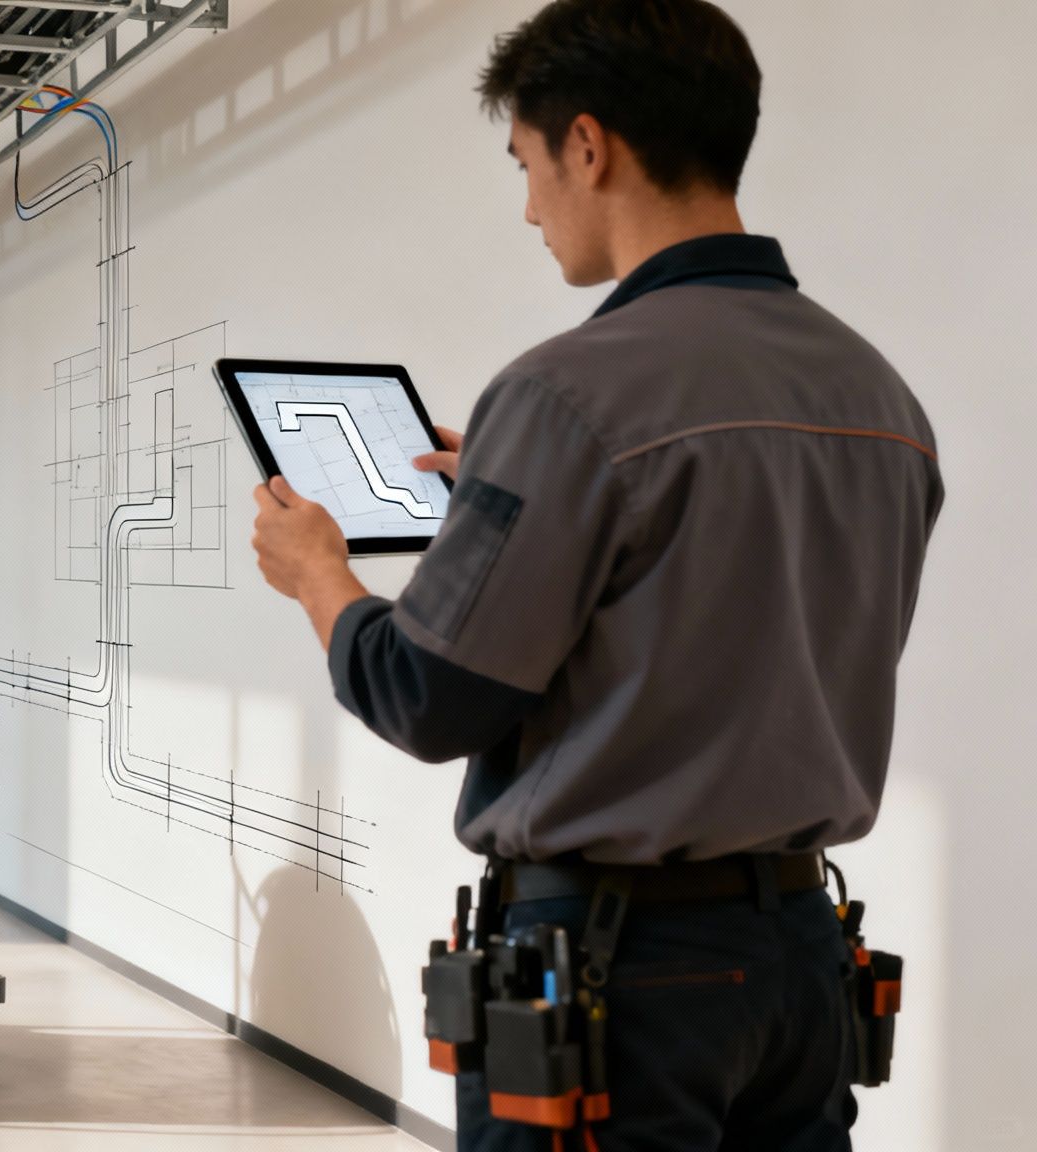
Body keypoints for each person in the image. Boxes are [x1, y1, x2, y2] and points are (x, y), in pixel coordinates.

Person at [247, 1, 942, 1148]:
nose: (527, 206)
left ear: (586, 144)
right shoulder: (879, 399)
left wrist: (322, 578)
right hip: (802, 965)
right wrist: (537, 495)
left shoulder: (564, 397)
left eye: (524, 164)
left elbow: (427, 697)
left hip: (618, 980)